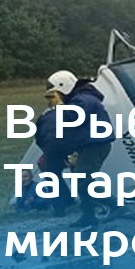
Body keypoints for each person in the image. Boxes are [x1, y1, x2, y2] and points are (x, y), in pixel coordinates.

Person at [36, 70, 115, 228]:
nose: (54, 98)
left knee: (83, 179)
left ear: (63, 87)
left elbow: (73, 118)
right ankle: (90, 214)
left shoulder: (83, 99)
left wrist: (59, 107)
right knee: (82, 179)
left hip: (96, 145)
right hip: (90, 145)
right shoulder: (79, 98)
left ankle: (115, 206)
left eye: (55, 94)